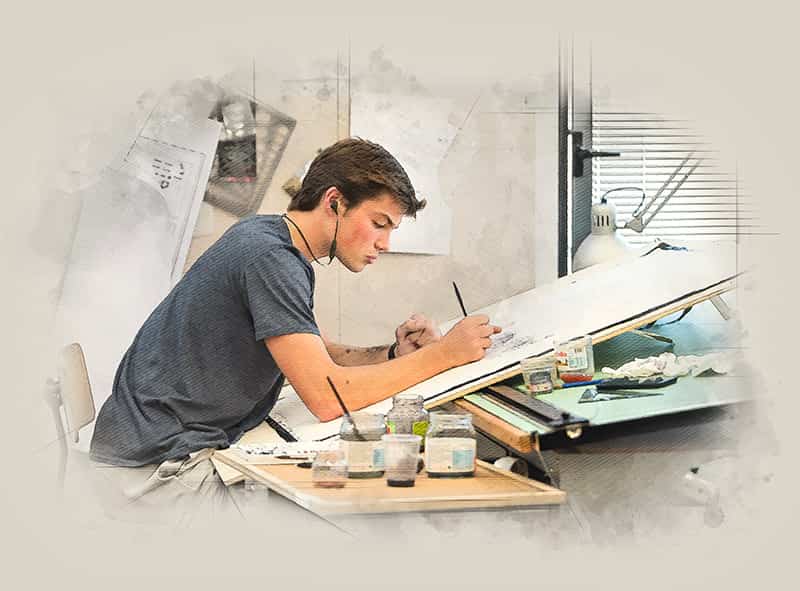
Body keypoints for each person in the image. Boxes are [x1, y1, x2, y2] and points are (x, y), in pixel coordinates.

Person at [89, 138, 500, 516]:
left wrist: (394, 355)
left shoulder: (264, 236)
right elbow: (328, 397)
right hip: (156, 472)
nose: (385, 243)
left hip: (149, 450)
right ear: (335, 202)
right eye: (379, 223)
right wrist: (444, 355)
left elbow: (318, 352)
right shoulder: (271, 258)